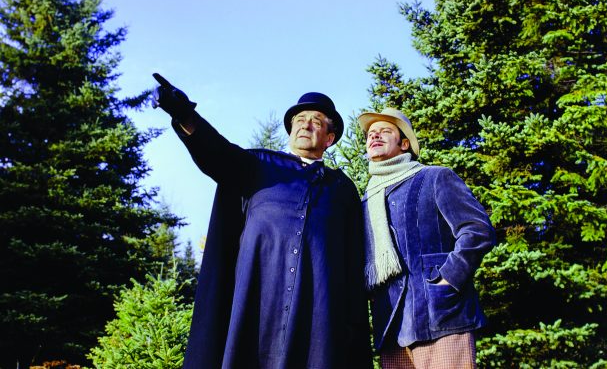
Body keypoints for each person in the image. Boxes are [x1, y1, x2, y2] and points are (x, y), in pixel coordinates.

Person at [151, 73, 373, 369]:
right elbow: (216, 152)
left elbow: (352, 263)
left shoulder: (342, 190)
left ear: (329, 138)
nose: (306, 125)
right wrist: (183, 114)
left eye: (316, 122)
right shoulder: (258, 165)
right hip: (257, 304)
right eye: (300, 119)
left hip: (316, 318)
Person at [357, 107, 496, 369]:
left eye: (384, 131)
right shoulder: (366, 201)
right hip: (392, 329)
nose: (374, 137)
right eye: (370, 134)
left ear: (405, 143)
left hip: (441, 318)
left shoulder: (435, 177)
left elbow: (477, 230)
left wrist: (447, 281)